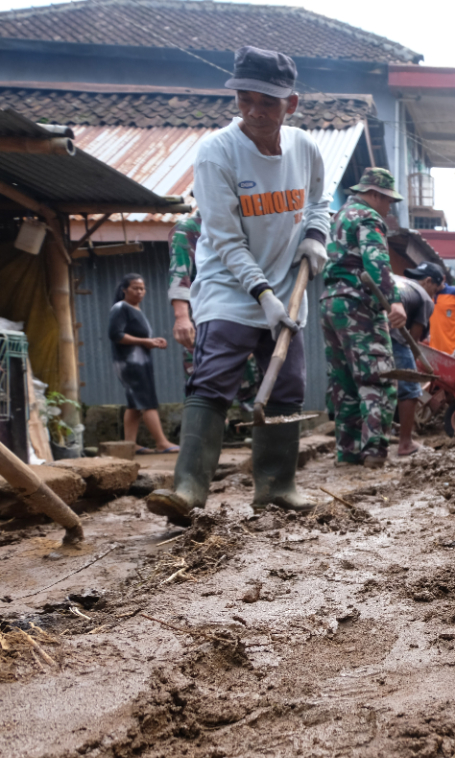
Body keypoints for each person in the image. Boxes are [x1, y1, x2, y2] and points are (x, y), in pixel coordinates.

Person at [146, 46, 329, 525]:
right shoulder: (217, 153)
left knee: (287, 388)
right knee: (212, 381)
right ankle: (187, 489)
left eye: (267, 102)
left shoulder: (305, 148)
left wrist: (314, 237)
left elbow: (318, 202)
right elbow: (224, 240)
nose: (254, 111)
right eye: (246, 99)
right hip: (231, 288)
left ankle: (276, 487)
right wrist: (261, 295)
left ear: (291, 103)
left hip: (289, 285)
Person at [320, 167, 406, 468]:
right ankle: (373, 452)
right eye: (387, 201)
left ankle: (347, 453)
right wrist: (393, 301)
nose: (389, 207)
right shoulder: (369, 217)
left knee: (343, 382)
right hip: (359, 304)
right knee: (378, 378)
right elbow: (376, 261)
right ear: (373, 194)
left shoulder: (337, 218)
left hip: (331, 303)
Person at [167, 209, 262, 416]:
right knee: (204, 379)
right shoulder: (189, 229)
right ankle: (202, 438)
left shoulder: (242, 223)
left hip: (243, 311)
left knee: (252, 376)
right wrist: (181, 316)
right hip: (206, 315)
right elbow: (180, 273)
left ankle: (255, 434)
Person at [108, 273, 177, 454]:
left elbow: (137, 337)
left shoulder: (134, 309)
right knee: (147, 401)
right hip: (130, 363)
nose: (140, 292)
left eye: (142, 288)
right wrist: (145, 342)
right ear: (124, 290)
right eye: (135, 288)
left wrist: (152, 341)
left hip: (140, 361)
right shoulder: (121, 307)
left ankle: (129, 445)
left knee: (134, 404)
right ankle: (161, 442)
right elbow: (116, 335)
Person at [391, 273, 434, 457]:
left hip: (361, 320)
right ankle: (406, 444)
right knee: (409, 384)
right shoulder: (426, 299)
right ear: (428, 281)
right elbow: (413, 339)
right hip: (391, 328)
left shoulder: (397, 280)